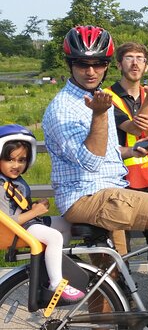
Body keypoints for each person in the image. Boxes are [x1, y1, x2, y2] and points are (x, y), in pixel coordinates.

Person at [42, 25, 148, 326]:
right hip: (89, 196)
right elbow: (91, 159)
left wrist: (128, 152)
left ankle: (102, 322)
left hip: (102, 190)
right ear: (70, 64)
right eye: (83, 64)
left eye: (98, 63)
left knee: (107, 275)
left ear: (107, 65)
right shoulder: (66, 108)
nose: (91, 70)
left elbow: (106, 151)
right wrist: (100, 115)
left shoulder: (97, 97)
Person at [103, 41, 148, 307]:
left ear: (146, 65)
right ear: (119, 64)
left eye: (140, 58)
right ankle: (121, 298)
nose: (135, 63)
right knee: (119, 244)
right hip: (119, 178)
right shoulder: (108, 96)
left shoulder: (147, 93)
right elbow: (132, 125)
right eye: (129, 58)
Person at [0, 124, 85, 303]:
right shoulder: (1, 187)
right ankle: (56, 283)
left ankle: (54, 267)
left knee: (66, 224)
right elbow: (7, 221)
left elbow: (21, 208)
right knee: (54, 237)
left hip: (26, 224)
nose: (16, 165)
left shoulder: (14, 181)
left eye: (21, 160)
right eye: (10, 160)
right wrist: (34, 212)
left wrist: (35, 208)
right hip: (15, 230)